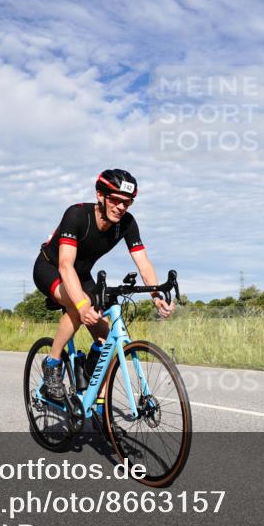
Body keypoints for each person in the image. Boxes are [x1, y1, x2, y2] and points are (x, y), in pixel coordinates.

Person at [33, 169, 174, 400]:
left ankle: (90, 381)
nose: (121, 207)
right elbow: (66, 265)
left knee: (105, 336)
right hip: (50, 268)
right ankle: (52, 363)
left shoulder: (127, 224)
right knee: (82, 306)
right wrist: (80, 304)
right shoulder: (77, 215)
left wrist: (157, 296)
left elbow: (144, 264)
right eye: (116, 200)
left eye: (127, 203)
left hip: (82, 275)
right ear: (101, 195)